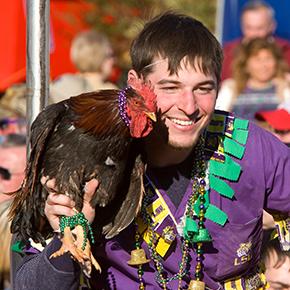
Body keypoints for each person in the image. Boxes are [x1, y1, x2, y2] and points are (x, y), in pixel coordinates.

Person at [11, 11, 290, 290]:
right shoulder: (79, 159)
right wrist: (69, 236)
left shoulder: (248, 146)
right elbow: (28, 285)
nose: (189, 106)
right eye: (171, 87)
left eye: (203, 89)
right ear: (135, 84)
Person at [216, 37, 290, 121]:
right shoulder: (231, 87)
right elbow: (219, 119)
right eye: (257, 59)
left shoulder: (285, 87)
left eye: (268, 58)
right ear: (246, 64)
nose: (264, 65)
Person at [222, 1, 290, 81]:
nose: (254, 34)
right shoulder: (227, 52)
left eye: (259, 28)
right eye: (249, 28)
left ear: (272, 26)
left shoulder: (286, 51)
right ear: (242, 26)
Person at [49, 29, 117, 103]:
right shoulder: (111, 96)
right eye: (110, 55)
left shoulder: (60, 84)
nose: (113, 60)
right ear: (100, 57)